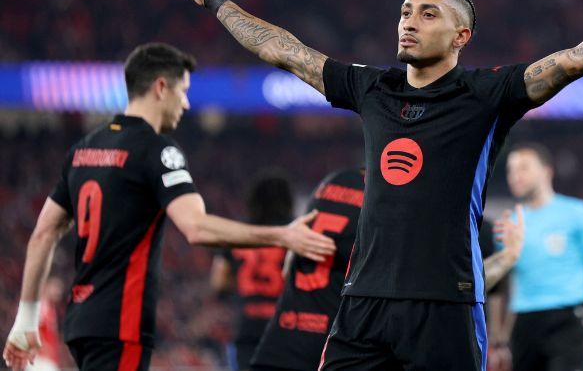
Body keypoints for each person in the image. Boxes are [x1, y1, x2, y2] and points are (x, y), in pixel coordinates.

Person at [164, 0, 583, 370]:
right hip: (365, 300)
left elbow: (575, 59)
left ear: (461, 36)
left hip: (446, 302)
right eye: (404, 11)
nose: (408, 21)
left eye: (427, 14)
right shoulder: (371, 88)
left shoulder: (487, 94)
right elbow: (283, 49)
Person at [2, 42, 336, 371]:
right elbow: (196, 227)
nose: (187, 104)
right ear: (161, 87)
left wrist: (25, 318)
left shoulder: (84, 149)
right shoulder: (158, 150)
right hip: (121, 320)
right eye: (183, 90)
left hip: (82, 320)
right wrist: (283, 235)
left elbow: (43, 233)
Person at [250, 168, 524, 371]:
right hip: (334, 350)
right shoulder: (395, 210)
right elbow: (441, 287)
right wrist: (508, 257)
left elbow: (289, 268)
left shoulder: (332, 183)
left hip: (278, 348)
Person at [489, 143, 583, 371]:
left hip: (566, 319)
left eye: (523, 168)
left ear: (546, 171)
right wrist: (498, 339)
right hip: (523, 322)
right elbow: (501, 286)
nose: (515, 176)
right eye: (511, 170)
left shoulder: (577, 213)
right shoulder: (510, 223)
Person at [210, 172, 295, 371]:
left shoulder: (237, 232)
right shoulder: (295, 233)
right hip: (286, 325)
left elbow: (219, 281)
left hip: (247, 325)